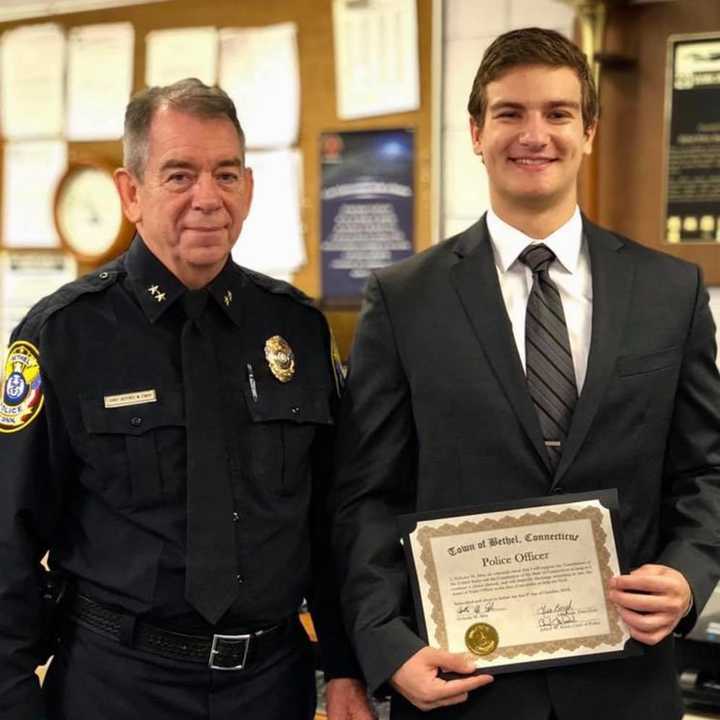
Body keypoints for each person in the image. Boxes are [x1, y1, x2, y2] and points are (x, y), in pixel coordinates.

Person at [330, 27, 720, 720]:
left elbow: (706, 470)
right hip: (464, 687)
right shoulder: (404, 299)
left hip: (626, 683)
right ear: (476, 132)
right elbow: (365, 494)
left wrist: (688, 576)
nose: (534, 134)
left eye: (558, 113)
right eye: (510, 113)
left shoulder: (671, 293)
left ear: (589, 131)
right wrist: (386, 645)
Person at [0, 78, 373, 720]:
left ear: (248, 189)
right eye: (179, 176)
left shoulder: (297, 329)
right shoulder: (61, 334)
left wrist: (344, 665)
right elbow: (7, 532)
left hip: (272, 685)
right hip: (117, 685)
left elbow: (332, 520)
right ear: (130, 193)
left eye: (225, 175)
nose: (208, 198)